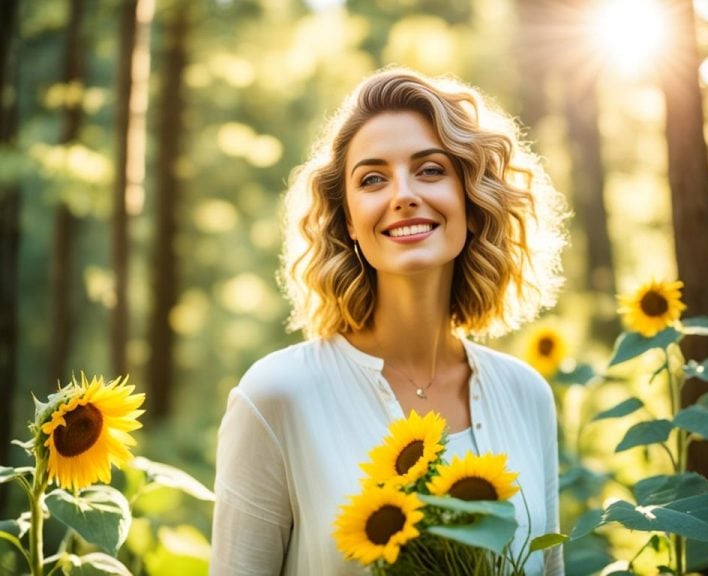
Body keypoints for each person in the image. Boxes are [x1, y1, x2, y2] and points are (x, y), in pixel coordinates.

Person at [211, 67, 568, 575]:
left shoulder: (527, 395)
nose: (403, 194)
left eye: (430, 170)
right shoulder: (274, 397)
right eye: (373, 179)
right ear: (350, 219)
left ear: (470, 198)